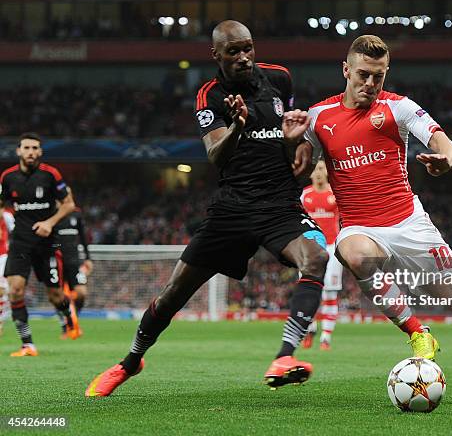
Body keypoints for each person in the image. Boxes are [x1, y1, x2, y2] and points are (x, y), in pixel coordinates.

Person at [86, 20, 328, 397]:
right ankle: (130, 362)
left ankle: (284, 356)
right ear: (216, 54)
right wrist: (236, 126)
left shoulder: (280, 79)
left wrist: (296, 141)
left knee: (315, 258)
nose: (244, 57)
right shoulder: (210, 95)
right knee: (173, 294)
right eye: (234, 51)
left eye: (248, 47)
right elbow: (215, 154)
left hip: (279, 204)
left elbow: (287, 136)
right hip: (232, 209)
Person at [297, 35, 452, 388]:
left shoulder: (398, 107)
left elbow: (444, 143)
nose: (370, 83)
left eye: (378, 76)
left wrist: (446, 159)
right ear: (346, 70)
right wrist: (287, 139)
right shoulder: (318, 118)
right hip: (359, 226)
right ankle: (418, 333)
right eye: (363, 75)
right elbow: (294, 165)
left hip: (409, 223)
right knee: (352, 252)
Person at [0, 133, 77, 356]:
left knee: (55, 296)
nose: (31, 152)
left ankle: (67, 315)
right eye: (27, 148)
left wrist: (49, 222)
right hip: (20, 243)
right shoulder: (7, 177)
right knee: (15, 291)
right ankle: (28, 345)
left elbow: (69, 204)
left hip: (47, 244)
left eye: (35, 148)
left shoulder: (50, 175)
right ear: (18, 151)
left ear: (40, 152)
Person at [301, 161, 343, 350]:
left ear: (327, 172)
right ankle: (310, 331)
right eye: (315, 169)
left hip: (331, 247)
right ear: (310, 174)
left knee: (329, 292)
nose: (318, 173)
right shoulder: (305, 195)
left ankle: (326, 337)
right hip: (309, 248)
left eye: (321, 169)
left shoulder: (335, 193)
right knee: (309, 291)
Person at [55, 201, 92, 338]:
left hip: (74, 261)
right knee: (57, 295)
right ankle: (66, 325)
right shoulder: (52, 213)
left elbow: (83, 238)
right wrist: (56, 248)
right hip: (57, 260)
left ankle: (72, 318)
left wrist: (88, 258)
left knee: (81, 292)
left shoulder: (76, 214)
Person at [0, 203, 15, 337]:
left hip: (2, 257)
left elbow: (16, 232)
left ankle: (1, 321)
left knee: (2, 289)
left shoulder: (7, 217)